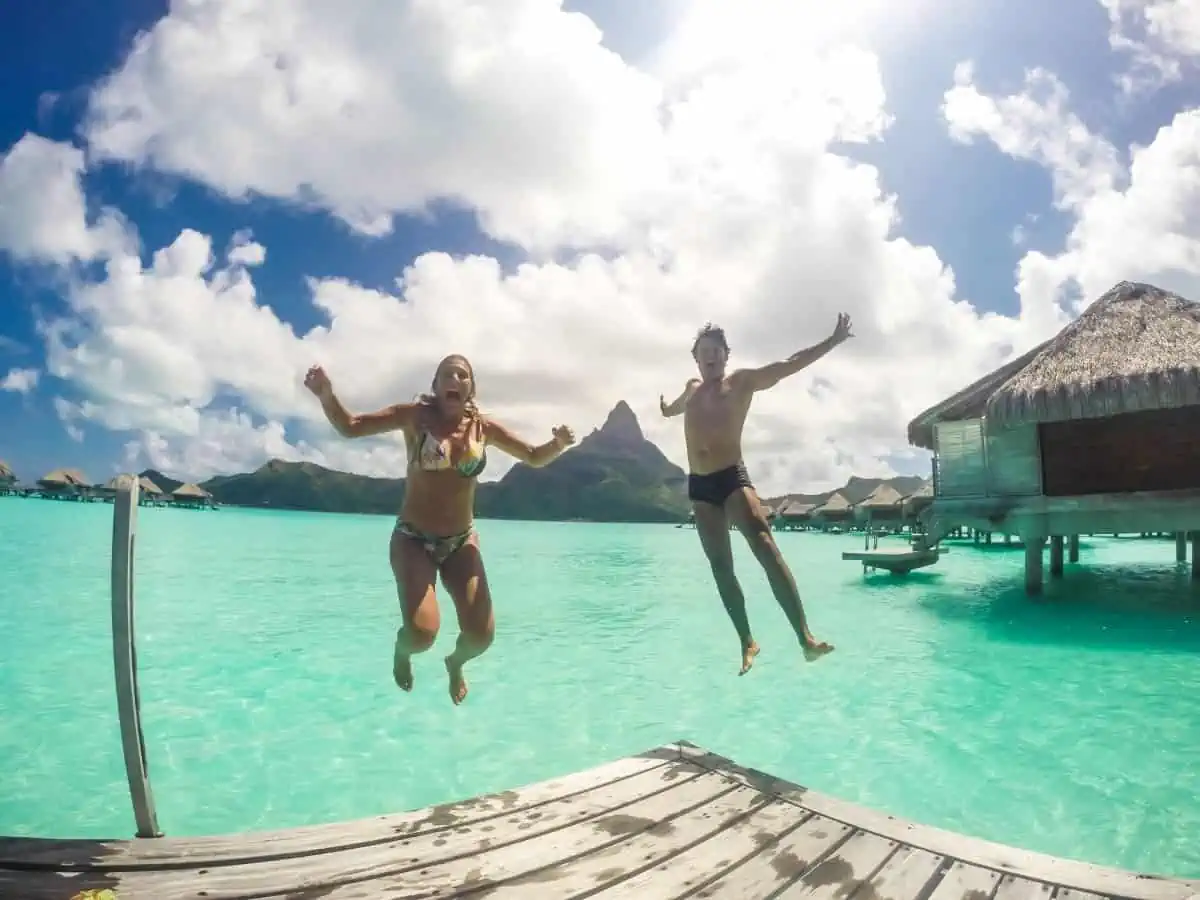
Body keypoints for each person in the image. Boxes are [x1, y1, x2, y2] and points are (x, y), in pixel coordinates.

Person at [304, 354, 576, 704]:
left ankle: (455, 664)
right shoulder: (414, 417)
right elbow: (351, 426)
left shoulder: (484, 428)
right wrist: (327, 394)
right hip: (413, 539)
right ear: (435, 386)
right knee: (420, 635)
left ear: (470, 388)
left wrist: (558, 444)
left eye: (463, 375)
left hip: (461, 543)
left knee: (481, 637)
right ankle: (402, 652)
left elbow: (534, 456)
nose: (455, 379)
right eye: (447, 374)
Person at [659, 315, 853, 675]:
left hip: (732, 477)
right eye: (705, 352)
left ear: (726, 355)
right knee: (721, 567)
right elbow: (676, 406)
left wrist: (831, 341)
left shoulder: (742, 382)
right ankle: (747, 641)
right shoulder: (691, 388)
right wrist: (666, 409)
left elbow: (788, 365)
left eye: (717, 351)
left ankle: (805, 638)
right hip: (700, 488)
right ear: (696, 359)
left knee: (764, 543)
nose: (711, 357)